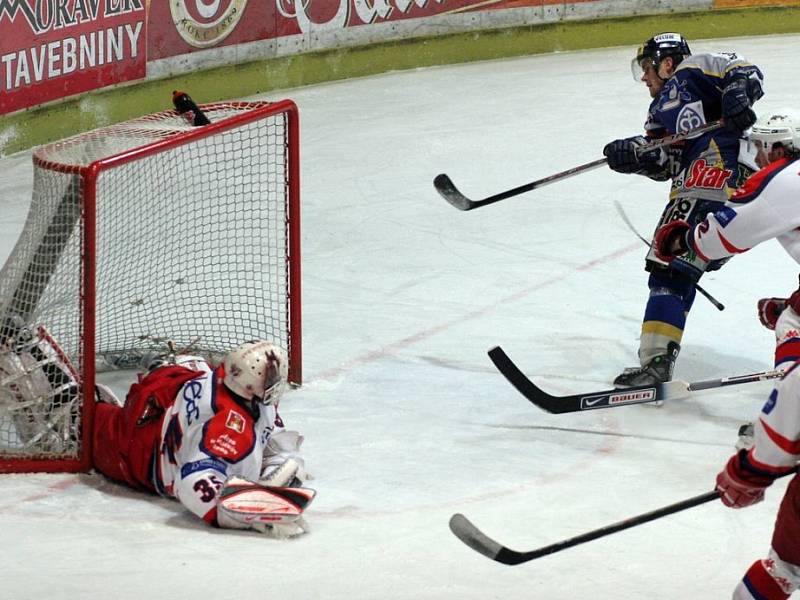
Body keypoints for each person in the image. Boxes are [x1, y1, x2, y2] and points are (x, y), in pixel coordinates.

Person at [653, 118, 800, 599]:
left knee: (786, 567)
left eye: (762, 149)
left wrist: (755, 469)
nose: (757, 157)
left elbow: (722, 235)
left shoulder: (787, 177)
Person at [603, 32, 764, 388]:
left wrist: (737, 96)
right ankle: (657, 359)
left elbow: (745, 69)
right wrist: (633, 155)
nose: (644, 77)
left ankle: (657, 363)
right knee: (674, 269)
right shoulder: (659, 110)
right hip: (696, 183)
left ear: (666, 62)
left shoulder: (694, 68)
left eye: (647, 68)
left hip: (719, 174)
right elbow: (666, 161)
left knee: (669, 265)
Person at [91, 340, 313, 538]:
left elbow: (273, 438)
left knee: (192, 363)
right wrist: (245, 512)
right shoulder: (228, 427)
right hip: (138, 451)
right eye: (271, 378)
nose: (276, 382)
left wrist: (275, 473)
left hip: (167, 396)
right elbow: (190, 480)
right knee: (86, 423)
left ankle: (160, 365)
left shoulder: (227, 382)